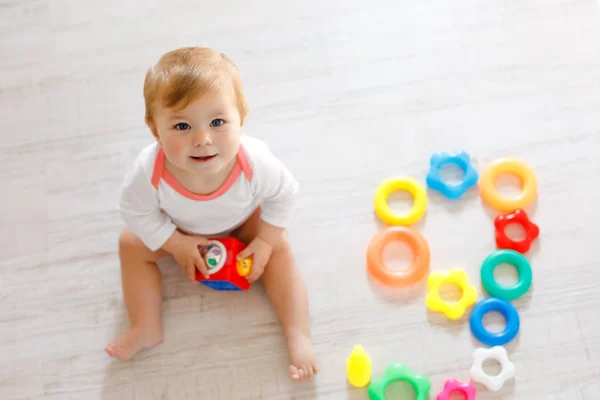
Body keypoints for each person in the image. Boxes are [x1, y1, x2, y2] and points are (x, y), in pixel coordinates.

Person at [104, 47, 318, 381]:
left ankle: (298, 333)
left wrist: (264, 242)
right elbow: (133, 210)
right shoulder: (150, 171)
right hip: (180, 228)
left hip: (244, 220)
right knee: (130, 245)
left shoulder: (254, 161)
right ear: (154, 129)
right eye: (181, 126)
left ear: (241, 118)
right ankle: (145, 325)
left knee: (280, 249)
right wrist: (174, 243)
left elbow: (285, 195)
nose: (202, 139)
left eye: (217, 122)